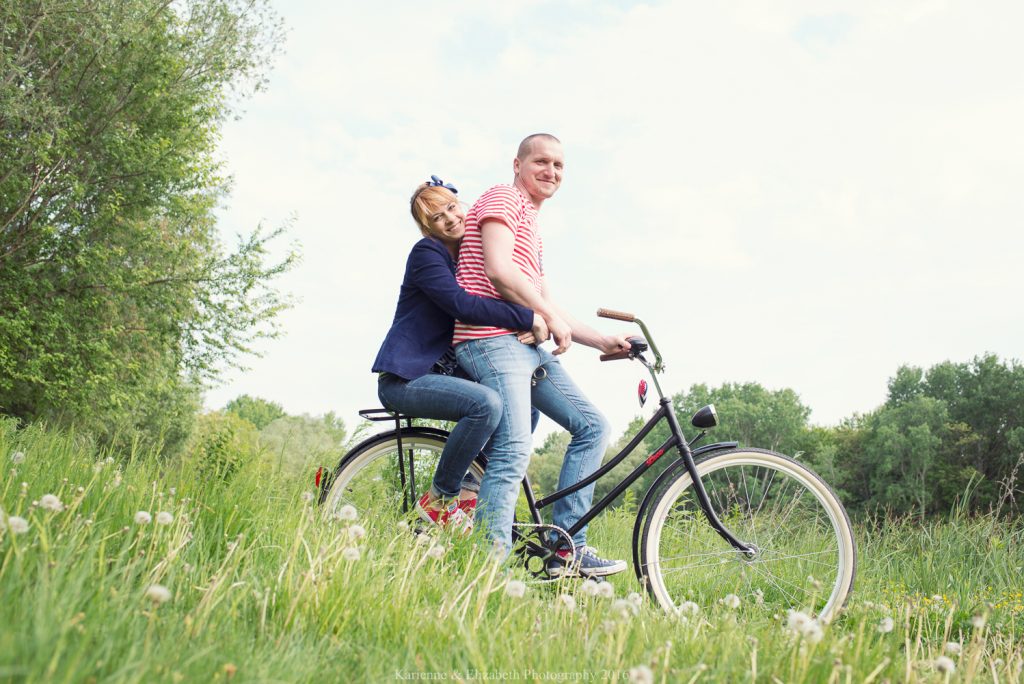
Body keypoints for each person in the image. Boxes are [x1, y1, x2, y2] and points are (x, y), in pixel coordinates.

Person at [453, 134, 631, 577]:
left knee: (593, 426)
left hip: (525, 344)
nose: (551, 171)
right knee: (514, 448)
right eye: (542, 162)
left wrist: (603, 341)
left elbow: (549, 305)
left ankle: (565, 550)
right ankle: (488, 569)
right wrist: (547, 313)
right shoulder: (502, 197)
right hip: (489, 340)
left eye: (559, 165)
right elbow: (498, 269)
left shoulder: (531, 227)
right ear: (517, 164)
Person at [372, 176, 547, 532]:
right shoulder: (427, 254)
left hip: (443, 370)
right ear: (427, 229)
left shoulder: (468, 255)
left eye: (452, 207)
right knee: (486, 404)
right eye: (438, 217)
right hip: (407, 378)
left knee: (524, 404)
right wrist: (527, 317)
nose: (450, 219)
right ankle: (441, 495)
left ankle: (471, 489)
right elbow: (461, 304)